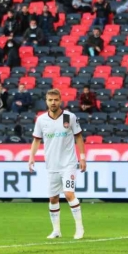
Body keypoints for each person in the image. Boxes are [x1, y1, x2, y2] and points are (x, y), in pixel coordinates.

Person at [28, 89, 87, 240]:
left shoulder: (70, 117)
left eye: (55, 100)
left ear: (60, 100)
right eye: (50, 100)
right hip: (51, 164)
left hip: (68, 163)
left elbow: (79, 137)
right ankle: (56, 230)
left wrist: (82, 157)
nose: (53, 103)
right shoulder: (41, 120)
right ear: (46, 101)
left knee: (68, 194)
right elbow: (36, 140)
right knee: (53, 198)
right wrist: (31, 157)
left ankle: (79, 229)